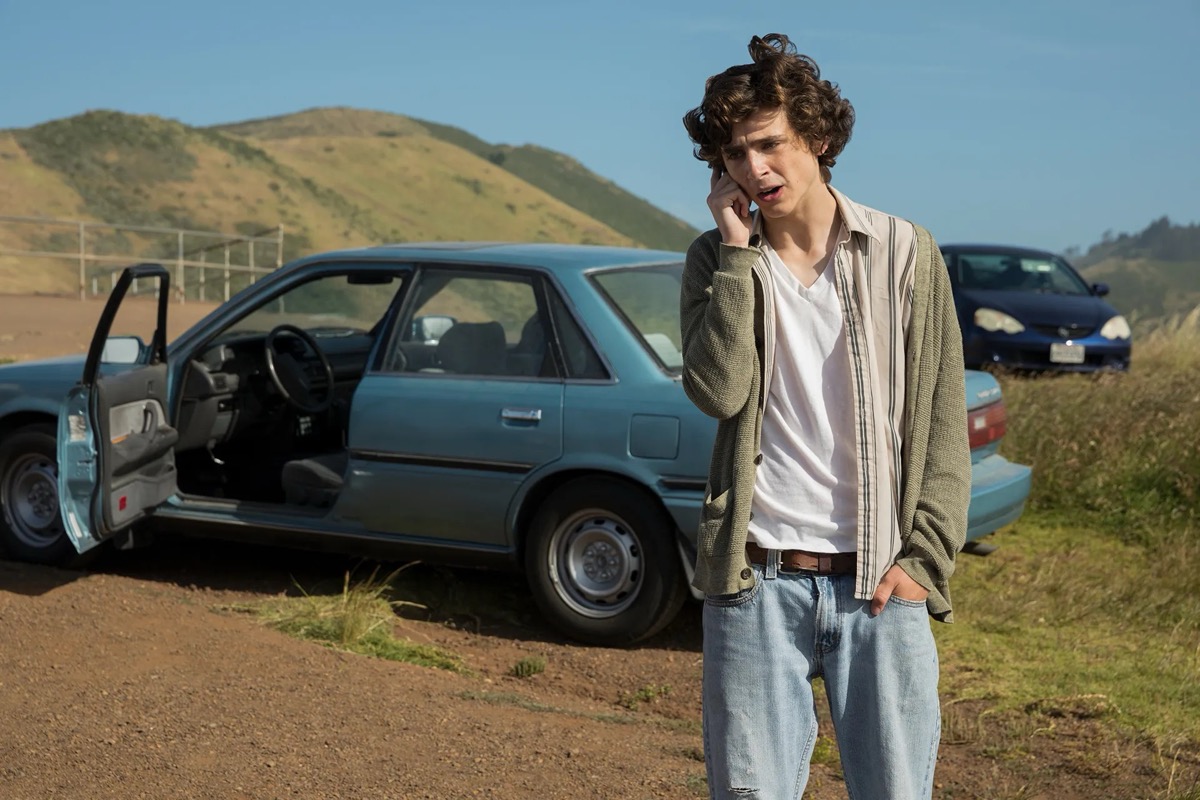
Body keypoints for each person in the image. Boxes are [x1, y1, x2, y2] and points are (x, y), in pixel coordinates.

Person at [679, 33, 971, 799]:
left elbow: (944, 420)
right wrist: (740, 255)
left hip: (879, 585)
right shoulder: (715, 261)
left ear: (818, 135)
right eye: (736, 155)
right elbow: (718, 392)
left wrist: (923, 564)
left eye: (769, 144)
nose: (755, 168)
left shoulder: (905, 253)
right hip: (755, 580)